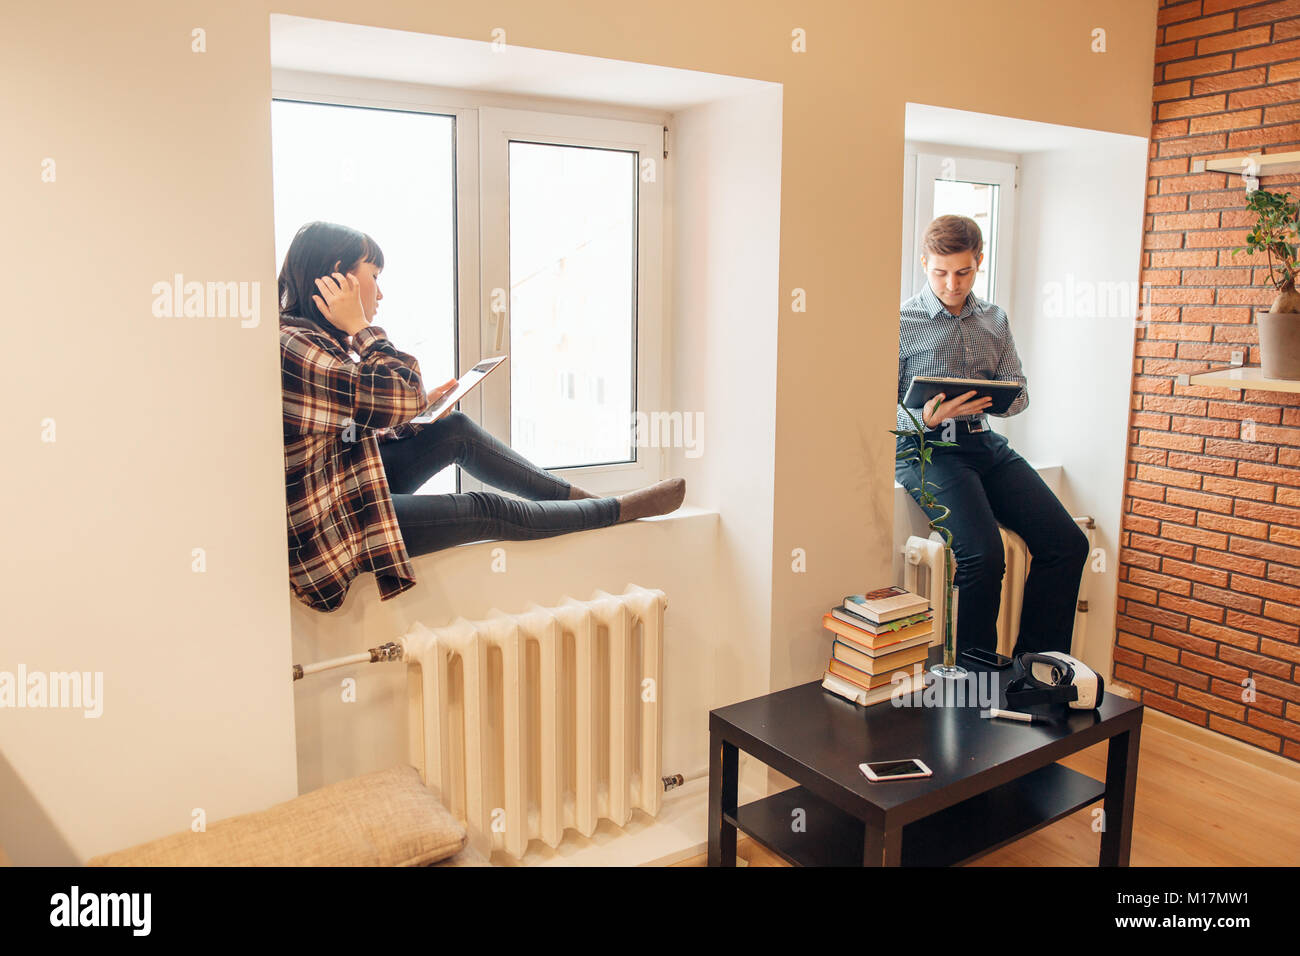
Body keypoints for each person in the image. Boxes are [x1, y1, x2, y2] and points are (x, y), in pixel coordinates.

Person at [278, 220, 686, 613]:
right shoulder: (296, 347)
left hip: (346, 486)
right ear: (339, 277)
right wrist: (361, 327)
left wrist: (418, 412)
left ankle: (589, 504)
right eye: (374, 275)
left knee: (453, 429)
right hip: (334, 526)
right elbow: (401, 387)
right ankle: (612, 511)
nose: (380, 293)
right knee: (484, 510)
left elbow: (348, 430)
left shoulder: (313, 340)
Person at [895, 214, 1088, 657]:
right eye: (941, 272)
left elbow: (1019, 394)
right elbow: (873, 411)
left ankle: (1037, 669)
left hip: (984, 443)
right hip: (926, 450)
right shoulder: (902, 321)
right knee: (984, 557)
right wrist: (927, 417)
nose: (952, 284)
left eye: (963, 272)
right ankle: (974, 680)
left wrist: (996, 399)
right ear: (924, 263)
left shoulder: (994, 320)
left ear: (979, 261)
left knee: (1068, 545)